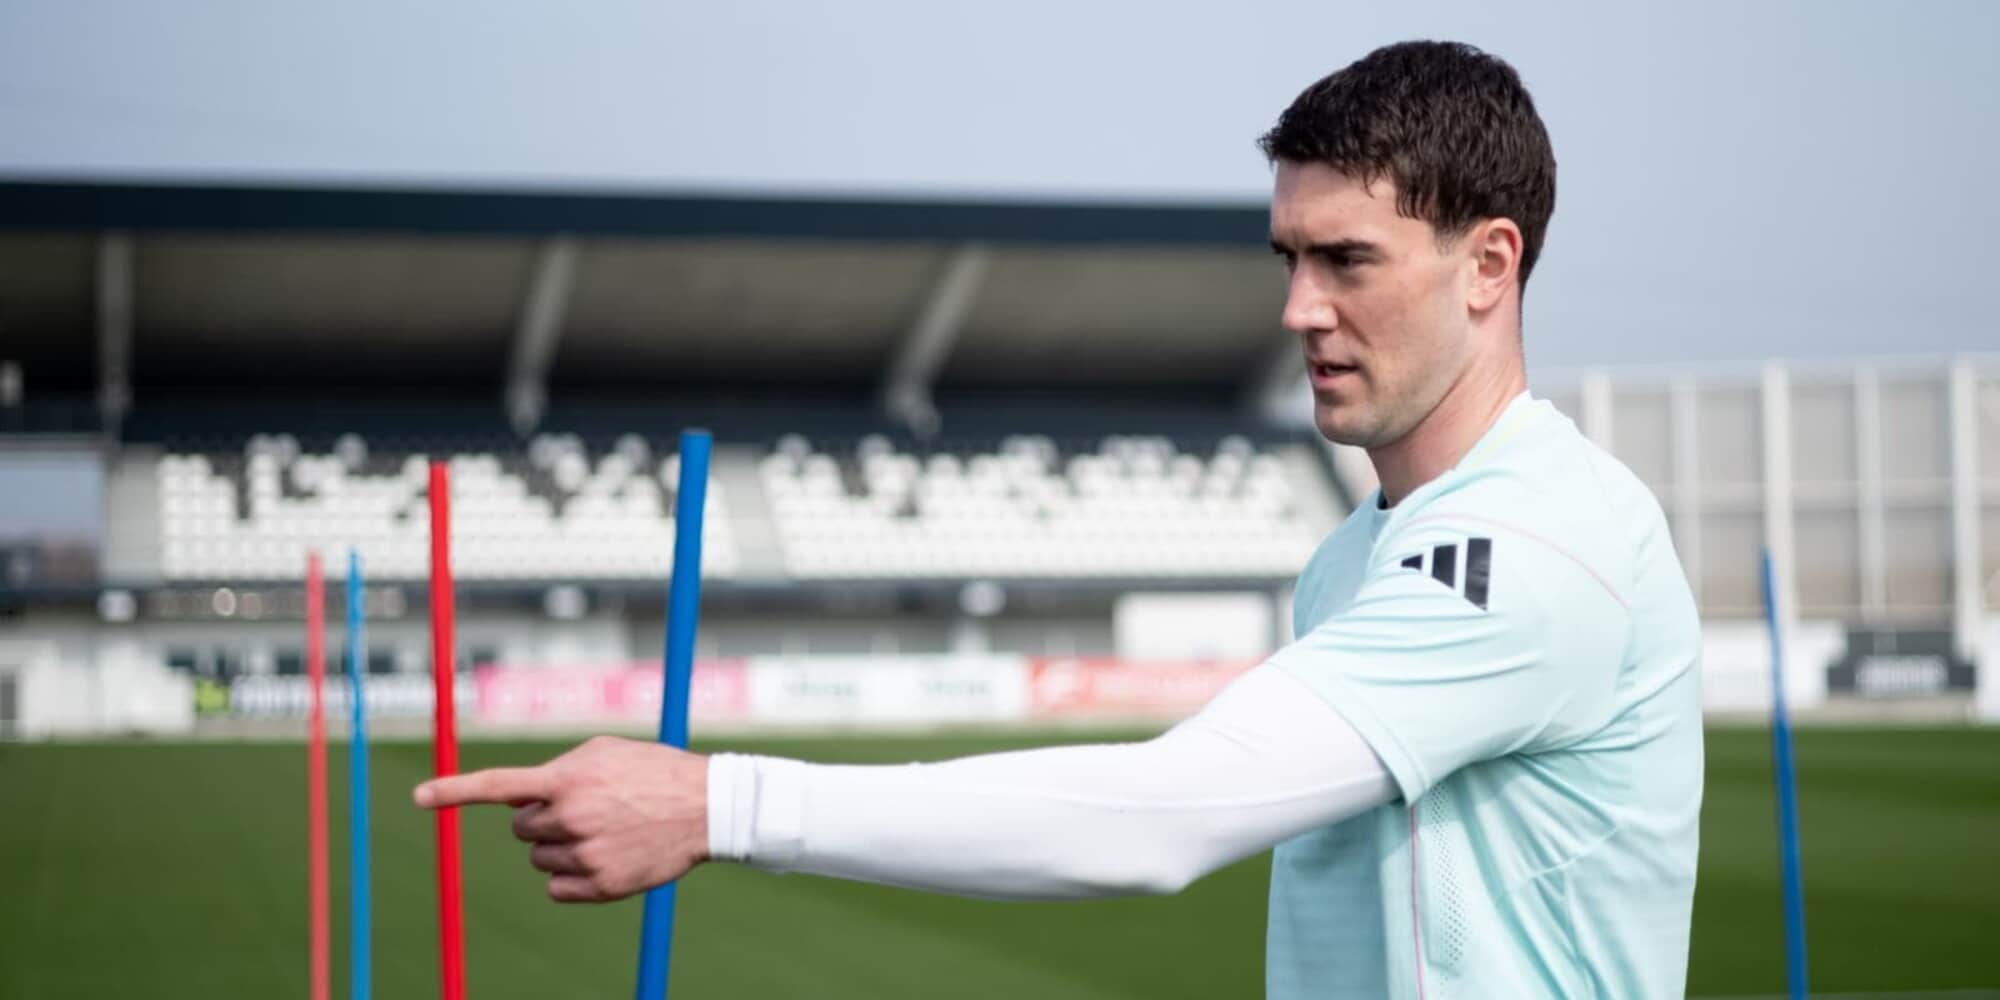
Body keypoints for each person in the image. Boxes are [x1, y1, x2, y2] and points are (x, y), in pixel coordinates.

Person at [416, 40, 1703, 999]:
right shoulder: (1354, 554)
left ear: (1487, 265)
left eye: (1346, 259)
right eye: (1288, 259)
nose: (1296, 309)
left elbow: (1163, 812)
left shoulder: (1536, 541)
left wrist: (720, 803)